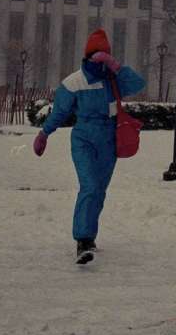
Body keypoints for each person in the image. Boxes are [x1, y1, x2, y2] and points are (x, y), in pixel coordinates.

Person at [33, 29, 145, 264]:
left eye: (105, 54)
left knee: (99, 190)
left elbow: (138, 84)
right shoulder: (73, 82)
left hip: (109, 140)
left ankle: (89, 236)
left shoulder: (113, 79)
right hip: (83, 139)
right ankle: (82, 239)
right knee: (90, 186)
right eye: (97, 54)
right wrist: (44, 133)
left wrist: (117, 67)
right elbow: (60, 112)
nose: (101, 59)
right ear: (87, 55)